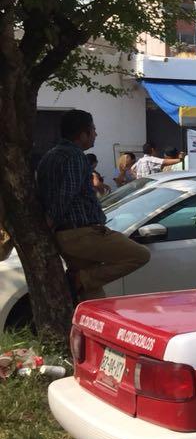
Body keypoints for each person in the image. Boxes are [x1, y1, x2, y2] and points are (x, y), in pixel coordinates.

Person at [35, 109, 150, 301]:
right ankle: (81, 279)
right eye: (93, 130)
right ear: (83, 134)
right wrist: (48, 224)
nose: (96, 134)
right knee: (139, 254)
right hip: (81, 234)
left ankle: (82, 324)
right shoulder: (74, 155)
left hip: (67, 235)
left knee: (93, 298)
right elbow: (64, 196)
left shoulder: (49, 156)